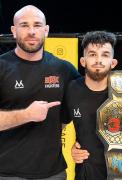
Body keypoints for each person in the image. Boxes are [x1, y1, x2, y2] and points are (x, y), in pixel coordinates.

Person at [0, 5, 80, 180]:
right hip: (7, 173)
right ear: (13, 31)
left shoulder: (64, 69)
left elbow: (92, 94)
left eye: (37, 25)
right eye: (24, 25)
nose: (31, 31)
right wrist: (26, 115)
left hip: (54, 173)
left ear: (46, 30)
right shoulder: (2, 67)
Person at [64, 31, 122, 180]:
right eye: (92, 54)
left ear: (113, 62)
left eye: (105, 54)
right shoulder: (72, 89)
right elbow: (59, 125)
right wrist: (73, 149)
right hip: (87, 172)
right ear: (82, 61)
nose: (98, 60)